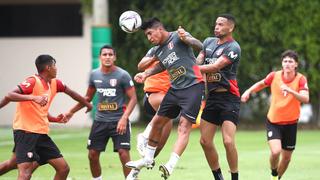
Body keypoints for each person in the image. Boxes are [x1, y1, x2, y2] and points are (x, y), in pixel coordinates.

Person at [125, 17, 204, 179]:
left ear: (160, 29)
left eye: (150, 34)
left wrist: (187, 38)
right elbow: (162, 65)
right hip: (174, 89)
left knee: (183, 127)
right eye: (146, 35)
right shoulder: (158, 49)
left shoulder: (178, 35)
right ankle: (147, 158)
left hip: (193, 86)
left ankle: (170, 165)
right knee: (158, 122)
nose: (149, 38)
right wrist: (146, 73)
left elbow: (200, 46)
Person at [0, 54, 92, 180]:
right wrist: (33, 97)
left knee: (63, 168)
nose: (56, 68)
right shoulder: (32, 81)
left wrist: (87, 104)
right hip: (26, 133)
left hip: (41, 135)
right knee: (25, 173)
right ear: (48, 67)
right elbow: (10, 95)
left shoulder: (55, 83)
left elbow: (72, 93)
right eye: (55, 65)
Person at [64, 45, 137, 179]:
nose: (107, 57)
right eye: (105, 54)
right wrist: (71, 112)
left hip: (119, 121)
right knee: (92, 155)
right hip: (100, 121)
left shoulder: (123, 75)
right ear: (100, 57)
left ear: (114, 57)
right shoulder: (94, 74)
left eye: (110, 54)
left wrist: (124, 118)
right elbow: (87, 98)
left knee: (123, 154)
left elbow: (133, 98)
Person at [241, 50, 309, 180]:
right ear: (282, 63)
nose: (287, 64)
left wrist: (290, 91)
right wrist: (248, 91)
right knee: (276, 151)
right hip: (274, 122)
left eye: (290, 61)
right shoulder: (274, 76)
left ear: (296, 65)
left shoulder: (301, 79)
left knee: (287, 158)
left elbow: (305, 99)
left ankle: (276, 178)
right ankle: (273, 172)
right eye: (285, 61)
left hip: (291, 123)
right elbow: (261, 84)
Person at [196, 14, 241, 180]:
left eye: (221, 25)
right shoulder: (208, 42)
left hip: (230, 98)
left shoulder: (233, 48)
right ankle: (218, 177)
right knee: (204, 141)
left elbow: (215, 66)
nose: (216, 27)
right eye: (216, 24)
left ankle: (235, 177)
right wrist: (192, 64)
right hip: (213, 98)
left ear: (230, 28)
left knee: (228, 141)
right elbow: (199, 59)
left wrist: (192, 69)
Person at [126, 47, 172, 180]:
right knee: (168, 104)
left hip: (169, 99)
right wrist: (156, 57)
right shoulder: (154, 50)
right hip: (154, 94)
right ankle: (143, 136)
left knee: (157, 147)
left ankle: (136, 171)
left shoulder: (179, 53)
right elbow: (140, 65)